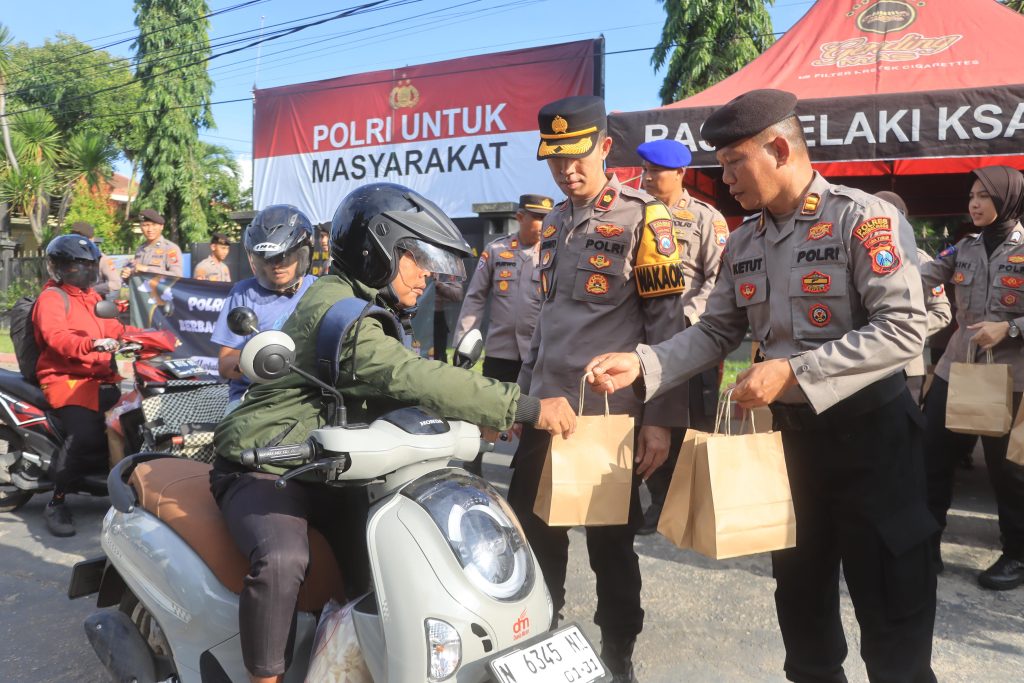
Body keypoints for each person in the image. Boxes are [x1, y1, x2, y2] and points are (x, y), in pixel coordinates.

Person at [586, 89, 937, 682]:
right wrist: (644, 364)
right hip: (791, 448)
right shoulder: (745, 241)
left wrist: (795, 371)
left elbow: (903, 328)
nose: (725, 180)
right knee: (802, 610)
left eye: (733, 164)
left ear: (779, 149)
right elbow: (716, 331)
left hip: (874, 444)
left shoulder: (863, 219)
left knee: (894, 624)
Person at [211, 183, 576, 683]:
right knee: (282, 557)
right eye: (416, 258)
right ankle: (266, 677)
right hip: (266, 462)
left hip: (327, 464)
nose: (426, 273)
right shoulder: (340, 312)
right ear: (377, 252)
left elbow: (392, 391)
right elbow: (407, 375)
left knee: (389, 560)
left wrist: (474, 418)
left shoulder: (366, 305)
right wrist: (523, 405)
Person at [508, 95, 688, 683]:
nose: (567, 170)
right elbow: (547, 320)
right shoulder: (555, 221)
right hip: (545, 409)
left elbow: (667, 327)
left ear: (605, 147)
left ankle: (618, 653)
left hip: (607, 417)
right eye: (555, 159)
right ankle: (541, 639)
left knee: (610, 547)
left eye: (578, 157)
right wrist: (519, 396)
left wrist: (659, 419)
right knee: (534, 536)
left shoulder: (644, 218)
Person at [918, 165, 1024, 590]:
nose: (974, 204)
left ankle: (1017, 555)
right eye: (971, 196)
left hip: (1011, 377)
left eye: (984, 196)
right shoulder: (963, 247)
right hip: (956, 369)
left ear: (1008, 198)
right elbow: (920, 277)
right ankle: (925, 546)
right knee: (931, 457)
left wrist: (1010, 327)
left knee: (1009, 471)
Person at [634, 138, 729, 534]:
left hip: (691, 339)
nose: (647, 178)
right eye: (645, 171)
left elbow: (718, 278)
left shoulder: (706, 218)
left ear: (679, 173)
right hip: (643, 339)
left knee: (694, 422)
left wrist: (690, 317)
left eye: (656, 172)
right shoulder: (636, 212)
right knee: (647, 416)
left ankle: (690, 499)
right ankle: (658, 498)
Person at [34, 235, 143, 537]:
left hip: (101, 379)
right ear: (58, 268)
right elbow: (56, 337)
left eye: (88, 265)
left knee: (130, 423)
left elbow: (115, 328)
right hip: (66, 381)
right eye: (75, 266)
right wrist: (91, 344)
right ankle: (56, 501)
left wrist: (146, 337)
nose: (83, 271)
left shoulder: (92, 297)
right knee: (84, 436)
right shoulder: (52, 298)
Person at [454, 193, 553, 475]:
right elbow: (475, 297)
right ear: (520, 217)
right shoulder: (496, 250)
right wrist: (463, 342)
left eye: (546, 218)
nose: (543, 223)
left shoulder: (554, 252)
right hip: (501, 351)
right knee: (487, 412)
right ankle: (472, 468)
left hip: (537, 353)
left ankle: (528, 474)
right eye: (537, 217)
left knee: (535, 417)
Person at [210, 206, 317, 414]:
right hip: (251, 397)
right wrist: (254, 363)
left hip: (309, 394)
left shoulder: (319, 290)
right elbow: (225, 364)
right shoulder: (243, 293)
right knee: (238, 432)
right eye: (267, 258)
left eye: (285, 256)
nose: (276, 264)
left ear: (302, 254)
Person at [873, 191, 952, 405]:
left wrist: (904, 329)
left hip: (907, 366)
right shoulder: (860, 259)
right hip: (868, 365)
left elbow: (941, 313)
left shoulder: (919, 260)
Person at [120, 209, 183, 280]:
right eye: (145, 225)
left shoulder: (170, 248)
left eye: (154, 225)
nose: (150, 229)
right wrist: (127, 275)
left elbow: (177, 276)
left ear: (161, 227)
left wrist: (147, 269)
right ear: (141, 227)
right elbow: (137, 279)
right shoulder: (140, 249)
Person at [69, 221, 122, 297]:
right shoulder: (67, 257)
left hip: (92, 301)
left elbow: (116, 283)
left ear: (92, 239)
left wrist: (91, 291)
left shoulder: (102, 259)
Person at [431, 280, 463, 361]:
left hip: (441, 315)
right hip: (424, 315)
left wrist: (440, 285)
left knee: (441, 350)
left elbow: (458, 295)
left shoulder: (447, 276)